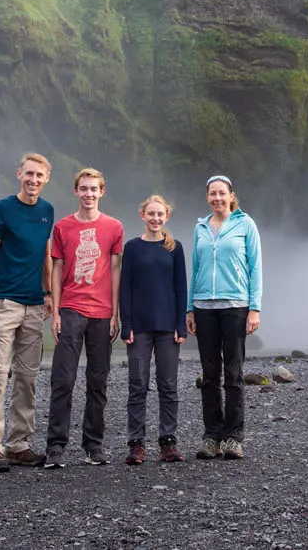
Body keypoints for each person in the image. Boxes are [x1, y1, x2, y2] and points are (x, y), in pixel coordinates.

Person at [0, 153, 54, 473]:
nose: (34, 180)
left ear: (46, 179)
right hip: (3, 303)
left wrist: (48, 292)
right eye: (29, 174)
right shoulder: (1, 209)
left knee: (27, 378)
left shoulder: (47, 211)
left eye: (40, 176)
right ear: (19, 174)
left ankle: (19, 444)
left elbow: (46, 254)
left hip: (34, 305)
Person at [43, 167, 124, 468]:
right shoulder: (63, 227)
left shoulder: (114, 227)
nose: (89, 194)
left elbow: (116, 269)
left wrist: (115, 312)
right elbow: (57, 269)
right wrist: (56, 312)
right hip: (72, 310)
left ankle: (94, 445)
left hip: (103, 313)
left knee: (97, 381)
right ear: (75, 191)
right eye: (84, 189)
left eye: (94, 189)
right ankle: (56, 447)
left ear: (102, 192)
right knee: (63, 379)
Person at [187, 174, 262, 461]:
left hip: (235, 306)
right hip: (205, 307)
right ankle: (211, 437)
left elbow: (255, 268)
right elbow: (194, 269)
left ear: (231, 195)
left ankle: (234, 437)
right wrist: (189, 309)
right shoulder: (201, 227)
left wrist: (254, 308)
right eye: (212, 193)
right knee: (209, 375)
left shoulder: (245, 224)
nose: (217, 198)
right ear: (207, 197)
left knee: (233, 373)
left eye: (222, 193)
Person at [119, 195, 188, 465]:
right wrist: (127, 324)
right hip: (139, 328)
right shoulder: (133, 247)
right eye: (151, 214)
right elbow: (125, 289)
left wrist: (180, 324)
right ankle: (136, 444)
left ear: (166, 217)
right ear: (142, 215)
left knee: (168, 385)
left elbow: (181, 288)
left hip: (168, 328)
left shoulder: (174, 247)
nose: (155, 218)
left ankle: (168, 442)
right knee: (137, 385)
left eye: (160, 214)